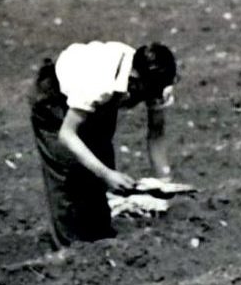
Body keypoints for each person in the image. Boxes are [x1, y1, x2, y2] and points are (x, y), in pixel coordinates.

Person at [28, 40, 180, 249]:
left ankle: (101, 242)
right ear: (135, 81)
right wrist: (106, 173)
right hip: (55, 99)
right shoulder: (100, 84)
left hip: (99, 100)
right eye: (146, 93)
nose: (150, 99)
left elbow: (156, 134)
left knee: (99, 164)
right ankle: (70, 250)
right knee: (69, 174)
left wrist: (164, 181)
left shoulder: (154, 82)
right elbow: (67, 134)